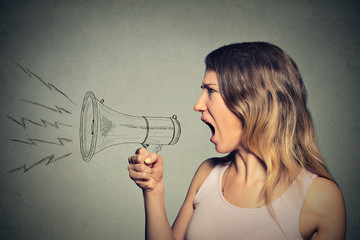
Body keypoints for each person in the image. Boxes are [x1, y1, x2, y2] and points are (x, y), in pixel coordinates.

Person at [127, 42, 346, 240]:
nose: (198, 105)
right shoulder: (207, 173)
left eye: (211, 90)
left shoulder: (321, 198)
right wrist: (153, 190)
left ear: (253, 101)